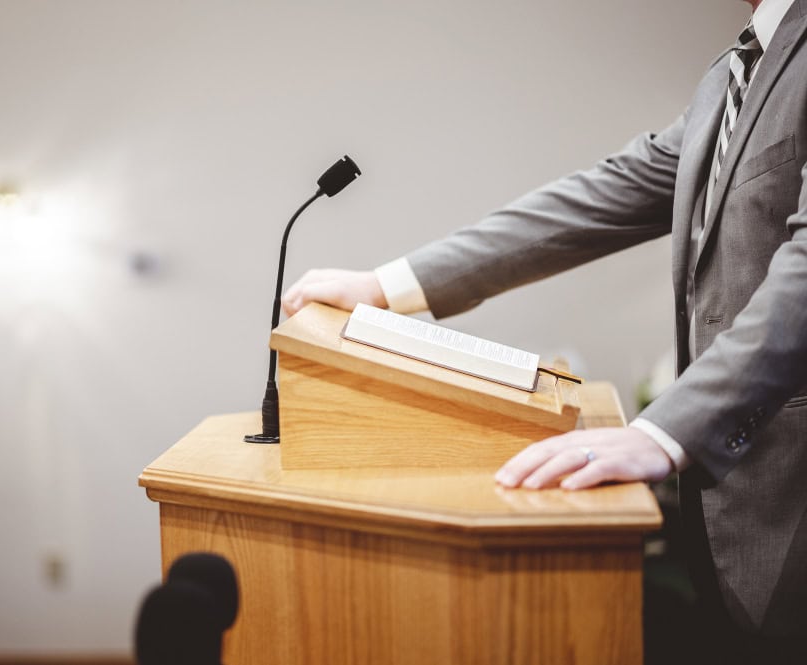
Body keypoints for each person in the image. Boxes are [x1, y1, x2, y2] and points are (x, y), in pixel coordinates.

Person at [282, 0, 807, 661]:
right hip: (727, 527)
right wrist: (389, 284)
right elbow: (602, 196)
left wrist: (665, 429)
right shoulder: (730, 75)